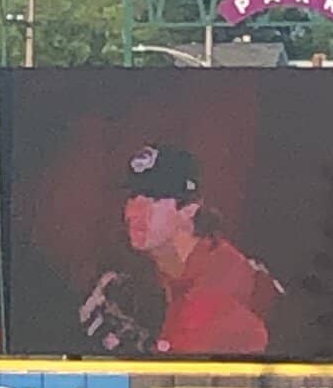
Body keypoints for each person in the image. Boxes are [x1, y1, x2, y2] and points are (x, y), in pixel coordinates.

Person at [79, 144, 282, 355]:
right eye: (133, 197)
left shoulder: (216, 295)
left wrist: (139, 354)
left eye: (154, 199)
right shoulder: (166, 268)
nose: (135, 212)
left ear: (189, 209)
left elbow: (178, 382)